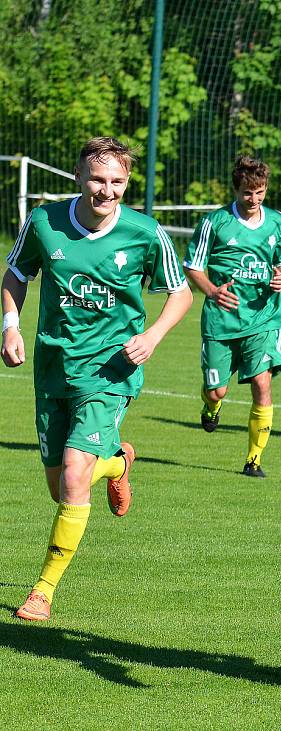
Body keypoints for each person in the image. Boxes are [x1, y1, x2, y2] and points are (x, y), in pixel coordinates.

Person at [2, 136, 192, 621]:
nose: (106, 191)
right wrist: (11, 326)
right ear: (77, 178)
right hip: (52, 367)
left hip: (112, 371)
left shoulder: (145, 232)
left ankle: (43, 590)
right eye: (97, 179)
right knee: (61, 488)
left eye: (117, 182)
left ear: (126, 184)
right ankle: (117, 465)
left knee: (71, 475)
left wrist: (152, 336)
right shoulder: (44, 222)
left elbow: (180, 294)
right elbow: (16, 275)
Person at [183, 156, 281, 478]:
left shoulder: (278, 223)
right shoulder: (214, 223)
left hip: (264, 317)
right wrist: (212, 290)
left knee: (262, 383)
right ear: (236, 189)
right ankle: (211, 406)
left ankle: (254, 460)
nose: (254, 199)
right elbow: (193, 266)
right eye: (248, 193)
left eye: (260, 192)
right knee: (217, 390)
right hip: (222, 319)